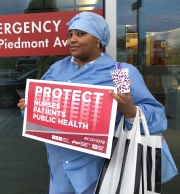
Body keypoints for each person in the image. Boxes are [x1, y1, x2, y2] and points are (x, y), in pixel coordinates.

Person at [17, 11, 167, 194]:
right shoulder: (56, 69)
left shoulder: (119, 73)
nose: (72, 39)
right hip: (59, 171)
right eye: (69, 35)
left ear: (98, 39)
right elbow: (41, 111)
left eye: (81, 34)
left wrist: (130, 111)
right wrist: (29, 108)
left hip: (100, 173)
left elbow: (157, 117)